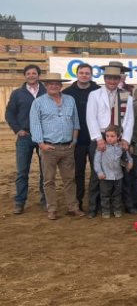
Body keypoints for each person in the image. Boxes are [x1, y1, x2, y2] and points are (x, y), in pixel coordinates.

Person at [29, 73, 81, 220]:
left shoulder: (70, 100)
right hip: (49, 147)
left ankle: (73, 207)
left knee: (70, 179)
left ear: (61, 85)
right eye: (51, 83)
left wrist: (74, 140)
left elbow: (75, 121)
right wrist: (41, 144)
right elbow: (35, 124)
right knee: (48, 180)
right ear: (46, 85)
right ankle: (52, 208)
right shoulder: (38, 102)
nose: (54, 86)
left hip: (68, 146)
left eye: (57, 83)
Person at [86, 64, 135, 216]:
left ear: (119, 78)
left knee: (122, 171)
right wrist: (98, 138)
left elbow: (129, 120)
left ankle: (127, 205)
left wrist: (125, 139)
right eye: (109, 78)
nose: (112, 81)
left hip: (119, 139)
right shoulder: (94, 94)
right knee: (97, 173)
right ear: (104, 78)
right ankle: (93, 207)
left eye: (115, 78)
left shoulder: (127, 95)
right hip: (101, 137)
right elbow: (91, 117)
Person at [7, 64, 47, 214]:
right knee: (22, 171)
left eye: (34, 73)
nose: (31, 75)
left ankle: (45, 199)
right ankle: (20, 202)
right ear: (25, 76)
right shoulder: (17, 93)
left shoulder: (46, 91)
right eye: (28, 73)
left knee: (45, 170)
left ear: (39, 75)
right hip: (26, 136)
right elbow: (9, 114)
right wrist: (18, 130)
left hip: (43, 137)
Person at [62, 63, 100, 211]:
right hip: (76, 140)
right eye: (82, 73)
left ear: (91, 75)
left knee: (96, 171)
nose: (84, 75)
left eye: (87, 73)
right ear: (76, 74)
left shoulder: (97, 91)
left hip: (95, 138)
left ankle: (95, 202)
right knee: (77, 172)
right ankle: (77, 202)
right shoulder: (68, 93)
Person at [94, 125, 133, 219]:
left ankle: (117, 210)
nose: (109, 138)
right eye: (107, 136)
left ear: (118, 137)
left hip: (118, 176)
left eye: (112, 136)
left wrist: (130, 163)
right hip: (105, 176)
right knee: (105, 195)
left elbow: (128, 157)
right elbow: (96, 161)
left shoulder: (121, 147)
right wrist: (99, 172)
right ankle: (106, 211)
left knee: (117, 195)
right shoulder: (102, 147)